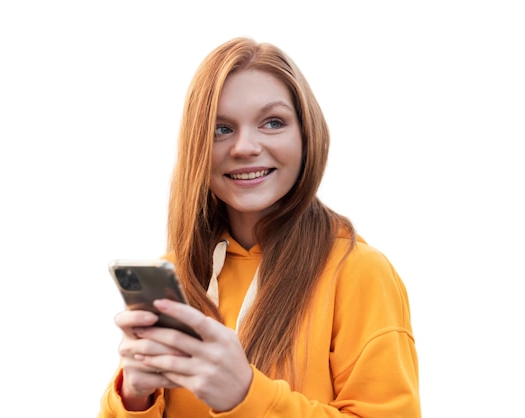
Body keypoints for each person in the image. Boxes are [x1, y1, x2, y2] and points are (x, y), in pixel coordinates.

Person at [97, 36, 421, 417]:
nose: (245, 147)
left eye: (272, 122)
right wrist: (135, 398)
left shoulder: (358, 272)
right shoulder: (178, 277)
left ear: (306, 135)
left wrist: (246, 396)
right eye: (221, 129)